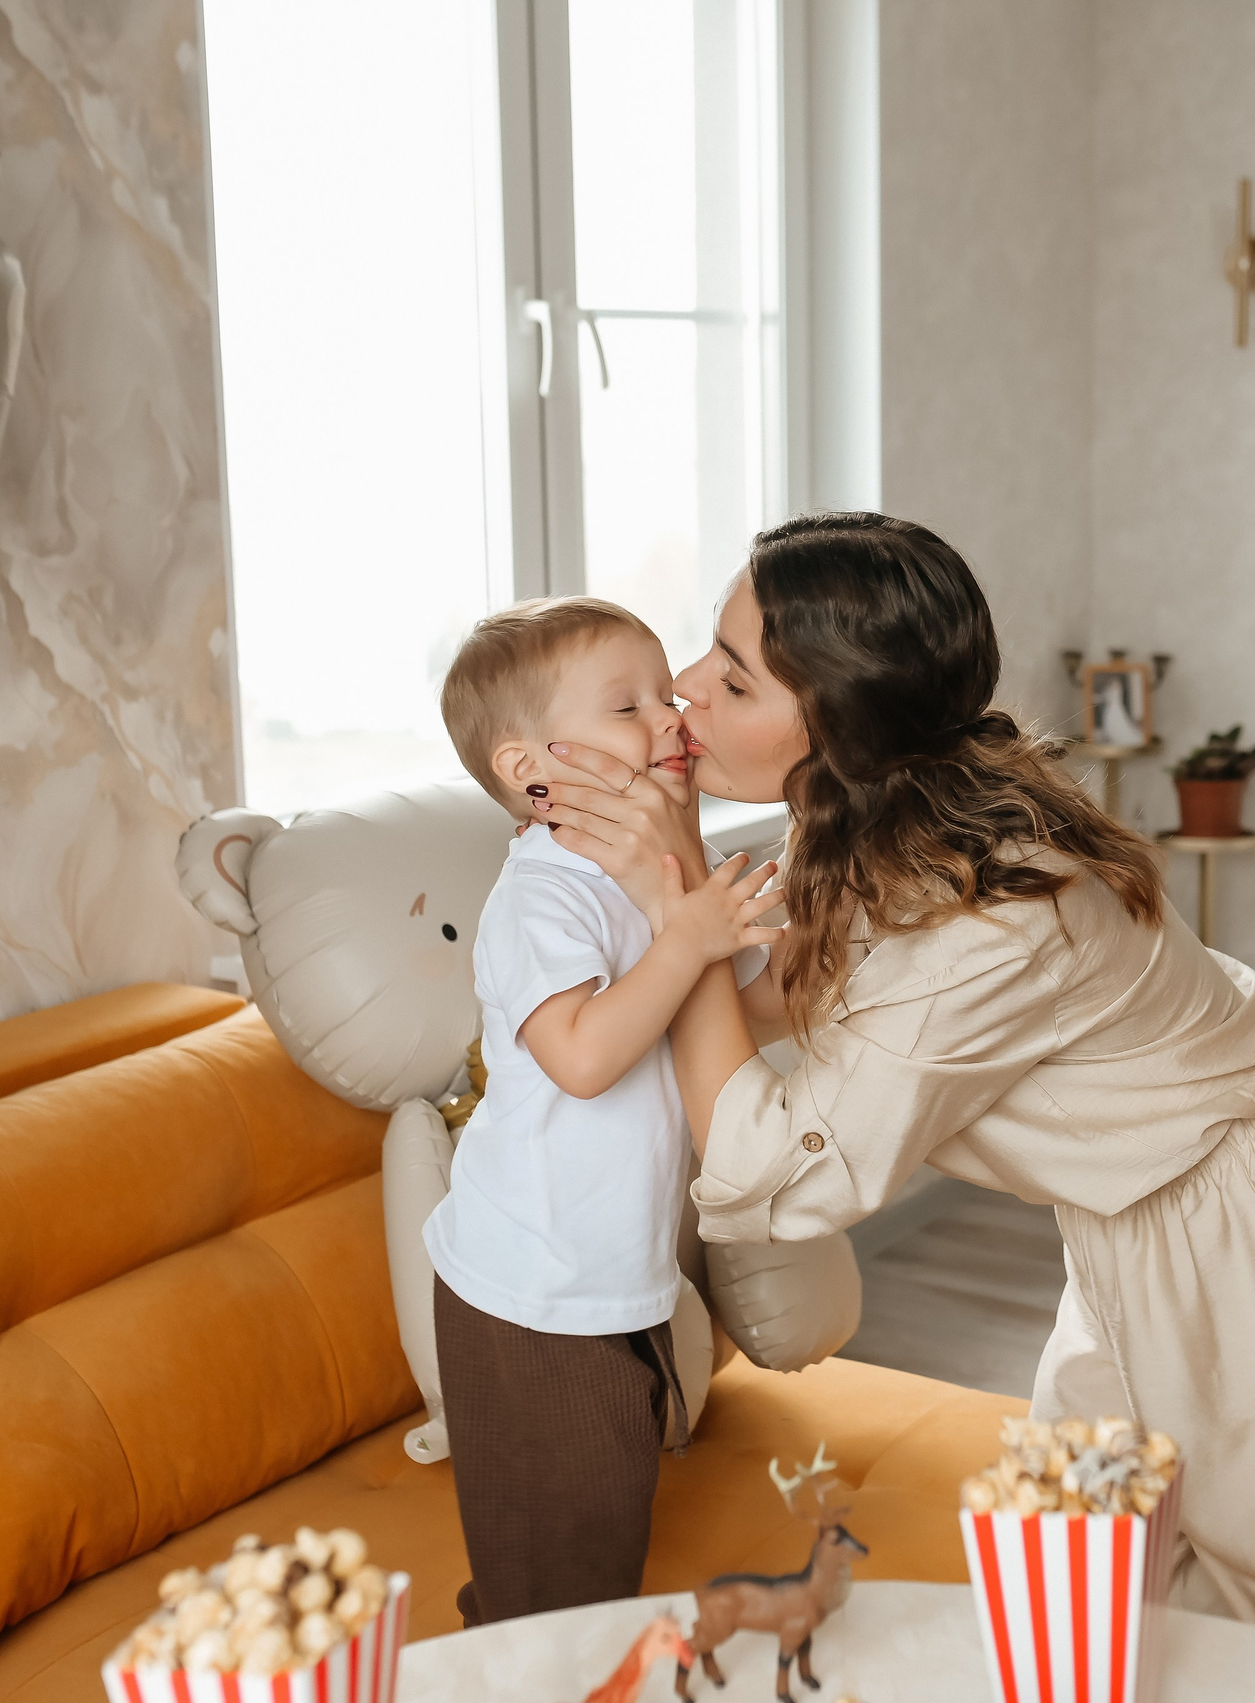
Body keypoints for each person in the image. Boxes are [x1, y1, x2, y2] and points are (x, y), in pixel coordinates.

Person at [526, 514, 1255, 1696]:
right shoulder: (885, 814)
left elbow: (776, 1163)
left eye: (733, 677)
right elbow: (782, 998)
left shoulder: (980, 908)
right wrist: (673, 933)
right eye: (710, 650)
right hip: (1136, 1220)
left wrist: (679, 901)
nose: (687, 690)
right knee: (1095, 1571)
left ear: (840, 724)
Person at [424, 597, 779, 1625]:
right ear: (529, 769)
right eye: (629, 705)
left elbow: (750, 1000)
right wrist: (689, 936)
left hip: (608, 1276)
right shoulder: (542, 895)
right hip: (529, 1290)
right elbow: (580, 1056)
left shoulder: (644, 876)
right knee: (559, 1571)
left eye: (666, 693)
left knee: (600, 1524)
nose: (671, 717)